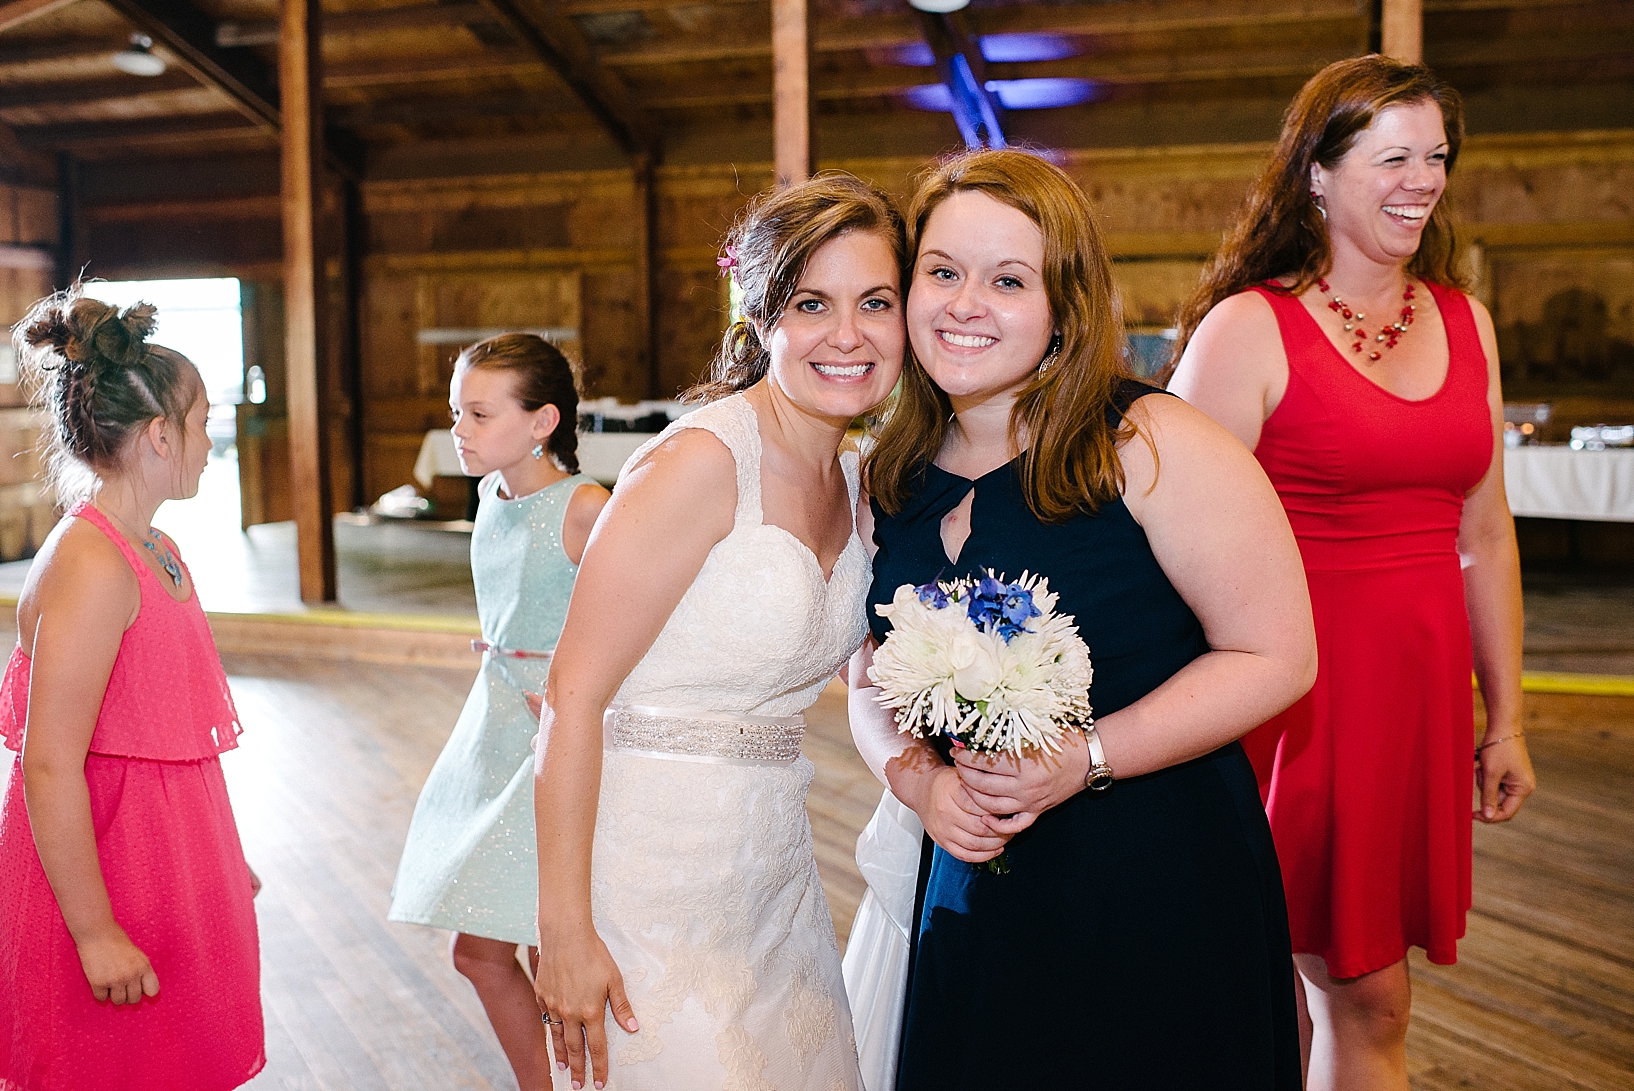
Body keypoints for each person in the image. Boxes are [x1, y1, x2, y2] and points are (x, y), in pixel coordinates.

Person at [846, 148, 1317, 1091]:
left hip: (1154, 876)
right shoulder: (887, 470)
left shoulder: (1148, 443)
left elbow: (1277, 653)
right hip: (977, 874)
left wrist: (1086, 757)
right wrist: (915, 782)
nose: (965, 303)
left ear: (1064, 302)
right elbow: (868, 669)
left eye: (1008, 280)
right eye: (942, 272)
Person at [1167, 56, 1536, 1091]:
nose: (1420, 179)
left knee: (1360, 990)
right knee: (1282, 989)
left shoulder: (1465, 319)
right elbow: (1165, 532)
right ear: (1315, 176)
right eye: (1392, 157)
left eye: (1435, 157)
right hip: (1284, 703)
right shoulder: (1249, 327)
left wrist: (1500, 716)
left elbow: (1485, 530)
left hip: (1407, 706)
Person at [531, 174, 906, 1091]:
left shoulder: (861, 480)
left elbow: (867, 678)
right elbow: (571, 695)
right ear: (762, 317)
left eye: (876, 302)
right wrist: (566, 931)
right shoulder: (702, 462)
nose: (847, 333)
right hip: (646, 880)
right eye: (812, 303)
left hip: (775, 877)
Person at [0, 288, 264, 1090]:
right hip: (108, 870)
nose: (212, 441)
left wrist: (216, 853)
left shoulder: (156, 545)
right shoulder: (92, 562)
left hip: (165, 857)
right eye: (202, 422)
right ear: (158, 435)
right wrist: (94, 932)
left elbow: (164, 725)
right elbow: (48, 764)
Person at [389, 333, 609, 1090]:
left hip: (556, 737)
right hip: (495, 728)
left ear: (542, 420)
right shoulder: (490, 496)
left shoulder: (584, 509)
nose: (459, 430)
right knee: (481, 950)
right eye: (458, 412)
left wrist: (571, 692)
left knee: (551, 948)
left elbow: (648, 625)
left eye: (480, 413)